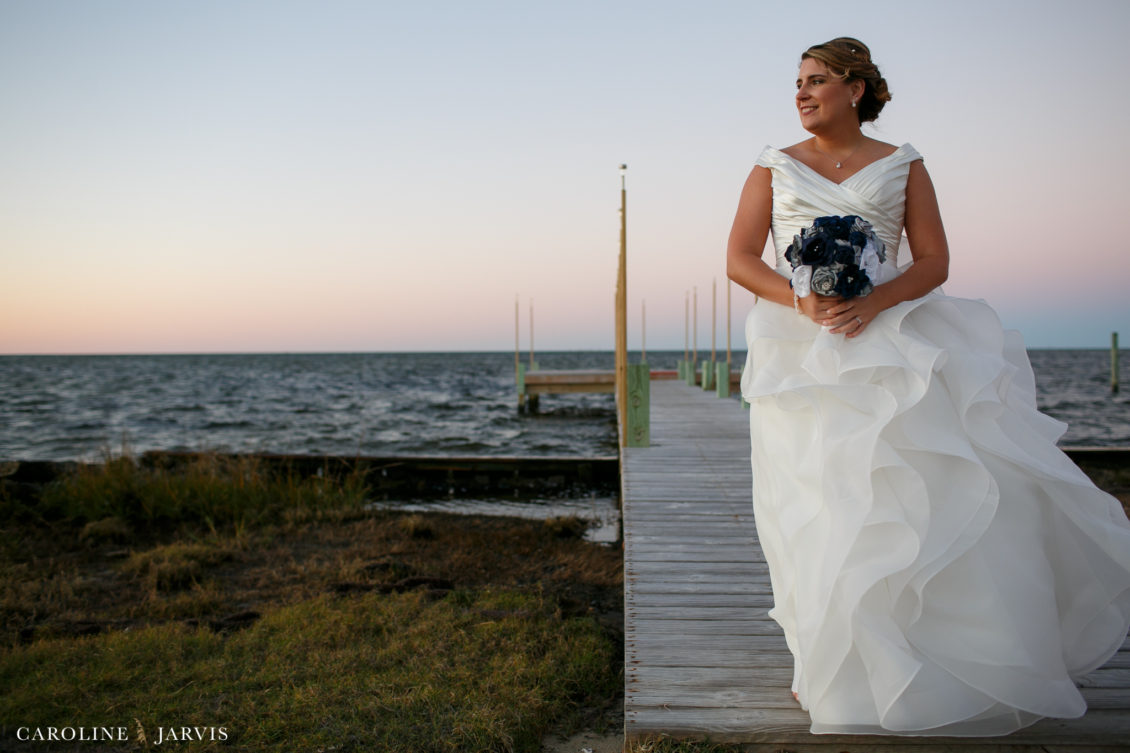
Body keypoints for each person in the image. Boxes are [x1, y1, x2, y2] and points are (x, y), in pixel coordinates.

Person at [726, 37, 1130, 736]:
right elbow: (738, 258)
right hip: (801, 357)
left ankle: (927, 655)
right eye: (797, 81)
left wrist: (874, 302)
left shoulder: (904, 164)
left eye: (817, 80)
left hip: (894, 346)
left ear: (856, 89)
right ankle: (820, 664)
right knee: (811, 504)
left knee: (907, 501)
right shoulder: (773, 167)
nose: (801, 92)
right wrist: (801, 301)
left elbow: (935, 259)